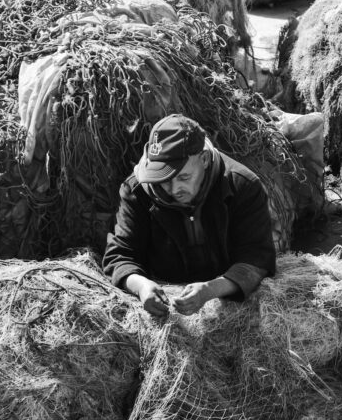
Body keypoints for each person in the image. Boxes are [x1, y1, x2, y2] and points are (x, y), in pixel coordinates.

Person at [103, 114, 276, 316]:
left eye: (184, 177)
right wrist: (141, 287)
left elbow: (257, 257)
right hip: (165, 290)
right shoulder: (136, 191)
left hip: (226, 296)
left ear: (203, 159)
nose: (174, 189)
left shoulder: (243, 185)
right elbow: (120, 255)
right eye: (163, 179)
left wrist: (211, 290)